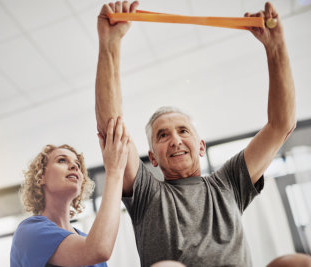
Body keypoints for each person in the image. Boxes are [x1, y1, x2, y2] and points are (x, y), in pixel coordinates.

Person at [96, 1, 296, 266]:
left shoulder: (229, 183)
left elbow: (281, 125)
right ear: (153, 158)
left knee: (294, 262)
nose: (175, 140)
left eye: (182, 131)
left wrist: (276, 47)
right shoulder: (147, 193)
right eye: (163, 135)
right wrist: (110, 43)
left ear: (201, 146)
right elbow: (112, 128)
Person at [10, 118, 130, 266]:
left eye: (77, 164)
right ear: (41, 177)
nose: (74, 166)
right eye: (61, 160)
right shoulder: (29, 232)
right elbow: (98, 249)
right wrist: (114, 171)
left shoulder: (88, 241)